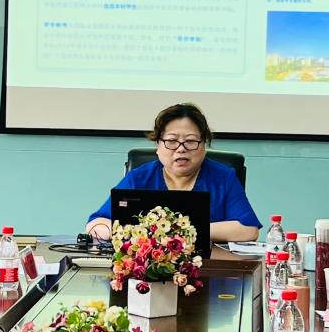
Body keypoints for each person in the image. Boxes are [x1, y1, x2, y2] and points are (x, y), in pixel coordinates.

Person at [85, 103, 260, 245]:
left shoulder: (223, 178)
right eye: (171, 141)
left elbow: (248, 230)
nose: (181, 149)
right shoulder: (138, 178)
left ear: (204, 145)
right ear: (158, 146)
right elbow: (96, 223)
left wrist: (180, 231)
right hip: (147, 270)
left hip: (209, 268)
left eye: (190, 141)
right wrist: (120, 232)